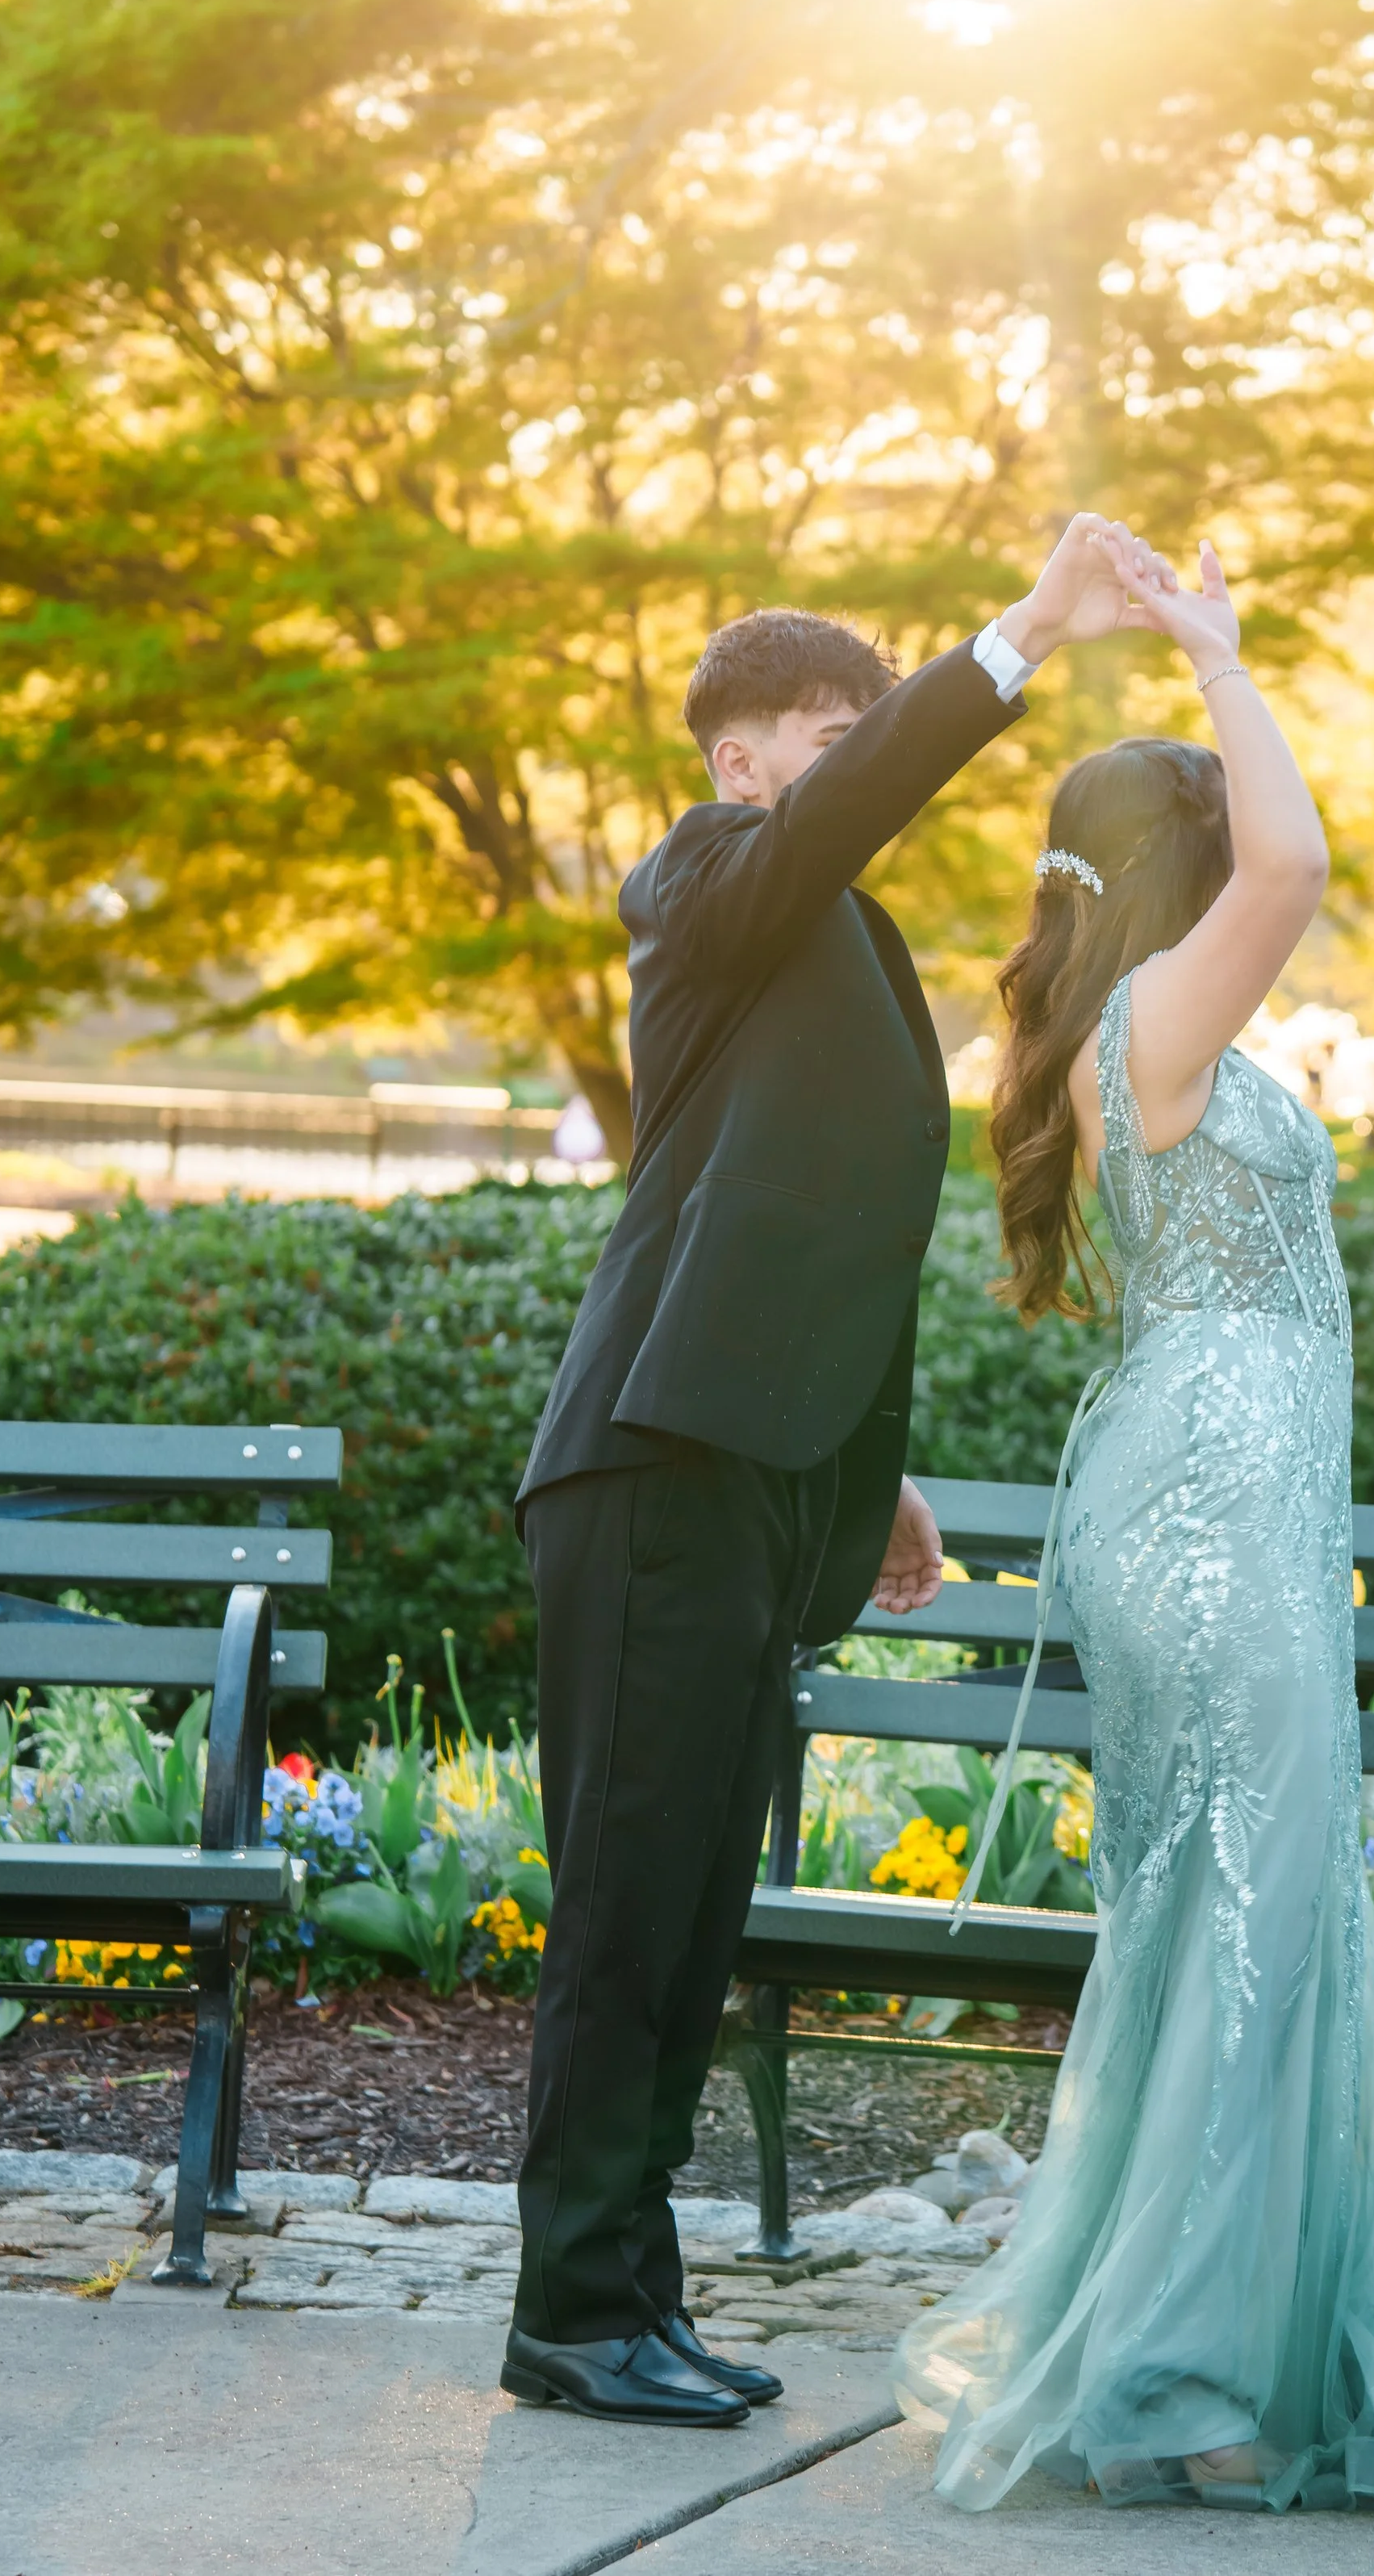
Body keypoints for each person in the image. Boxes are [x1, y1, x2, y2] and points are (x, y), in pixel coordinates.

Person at [895, 536, 1374, 2513]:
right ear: (1172, 858)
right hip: (1211, 1512)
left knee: (1239, 1916)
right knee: (1243, 1923)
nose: (1249, 839)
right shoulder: (1156, 1006)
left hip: (1216, 1501)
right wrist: (1215, 653)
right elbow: (1297, 867)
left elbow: (1276, 866)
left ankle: (1220, 2349)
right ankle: (1190, 2372)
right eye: (1216, 812)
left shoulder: (1136, 1024)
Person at [503, 517, 1159, 2427]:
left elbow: (827, 1220)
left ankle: (628, 2294)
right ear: (746, 755)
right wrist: (1025, 631)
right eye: (840, 724)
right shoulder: (709, 874)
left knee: (695, 1905)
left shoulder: (832, 930)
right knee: (628, 1903)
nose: (871, 747)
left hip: (755, 1471)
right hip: (643, 1465)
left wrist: (878, 1479)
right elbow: (855, 803)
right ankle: (568, 2310)